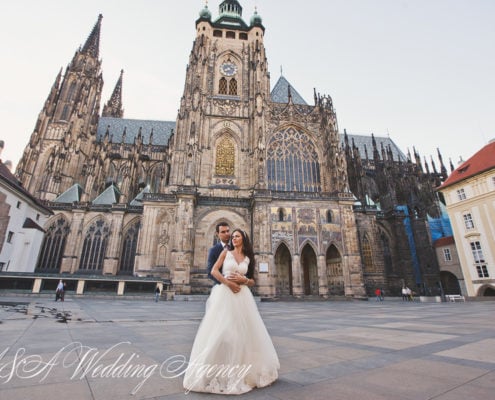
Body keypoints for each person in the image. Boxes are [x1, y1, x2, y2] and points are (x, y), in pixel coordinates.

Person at [183, 229, 279, 395]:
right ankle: (215, 372)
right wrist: (228, 283)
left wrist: (244, 280)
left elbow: (252, 280)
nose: (233, 238)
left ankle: (243, 372)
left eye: (236, 236)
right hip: (225, 295)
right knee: (222, 332)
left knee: (244, 334)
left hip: (243, 297)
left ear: (243, 239)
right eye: (232, 236)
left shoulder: (248, 258)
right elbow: (213, 271)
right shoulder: (225, 252)